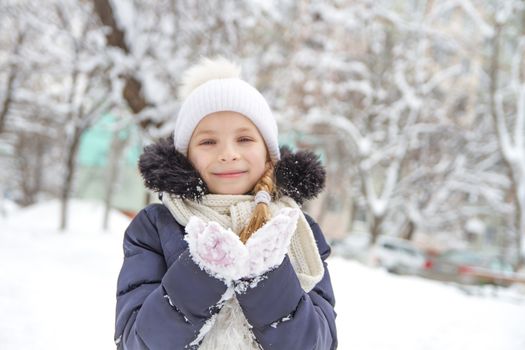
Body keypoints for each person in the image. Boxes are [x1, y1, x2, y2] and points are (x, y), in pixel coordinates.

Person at [114, 57, 338, 350]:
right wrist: (203, 271)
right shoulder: (155, 227)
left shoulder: (297, 230)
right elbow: (136, 342)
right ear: (186, 156)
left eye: (244, 139)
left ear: (269, 154)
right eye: (208, 142)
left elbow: (318, 344)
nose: (228, 154)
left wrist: (266, 274)